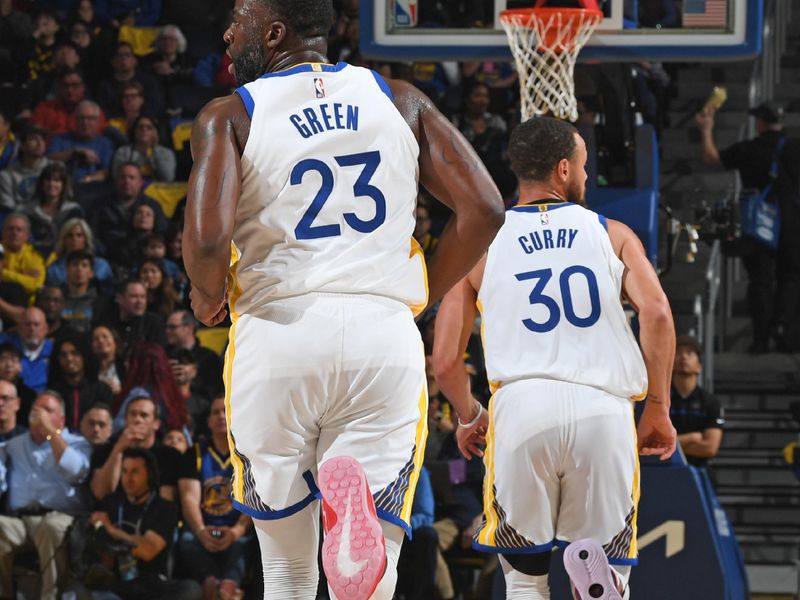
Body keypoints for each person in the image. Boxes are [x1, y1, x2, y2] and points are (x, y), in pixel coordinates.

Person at [183, 1, 504, 598]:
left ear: (274, 32)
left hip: (281, 333)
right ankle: (356, 540)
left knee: (286, 570)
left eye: (241, 17)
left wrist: (206, 295)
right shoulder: (400, 97)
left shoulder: (231, 113)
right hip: (381, 335)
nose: (228, 31)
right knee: (374, 564)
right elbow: (485, 207)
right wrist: (425, 285)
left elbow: (205, 239)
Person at [433, 117, 677, 600]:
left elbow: (443, 362)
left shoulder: (479, 242)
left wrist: (469, 414)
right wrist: (658, 408)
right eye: (584, 164)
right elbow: (658, 314)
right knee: (612, 571)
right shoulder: (613, 234)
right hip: (603, 411)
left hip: (522, 409)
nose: (587, 176)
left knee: (524, 582)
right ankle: (600, 586)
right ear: (564, 169)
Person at [697, 100, 800, 353]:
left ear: (760, 123)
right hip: (792, 222)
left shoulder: (749, 148)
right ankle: (783, 327)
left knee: (760, 280)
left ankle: (761, 339)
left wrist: (706, 129)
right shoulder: (795, 147)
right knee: (790, 277)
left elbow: (712, 158)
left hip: (757, 222)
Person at [0, 391, 92, 600]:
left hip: (61, 517)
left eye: (48, 410)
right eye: (36, 410)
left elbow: (76, 471)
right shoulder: (13, 445)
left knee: (50, 527)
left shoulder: (77, 443)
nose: (39, 414)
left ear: (61, 419)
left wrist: (50, 432)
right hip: (21, 521)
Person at [89, 447, 203, 600]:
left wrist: (111, 530)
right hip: (115, 583)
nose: (128, 478)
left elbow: (147, 550)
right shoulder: (110, 504)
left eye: (135, 472)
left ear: (150, 475)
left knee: (191, 589)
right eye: (124, 471)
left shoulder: (165, 508)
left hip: (152, 584)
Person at [177, 396, 253, 600]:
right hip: (203, 527)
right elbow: (189, 500)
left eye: (226, 411)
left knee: (246, 542)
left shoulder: (248, 453)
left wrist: (237, 531)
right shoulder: (195, 453)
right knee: (187, 540)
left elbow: (253, 498)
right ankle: (212, 585)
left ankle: (227, 587)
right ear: (208, 421)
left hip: (236, 528)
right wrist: (201, 531)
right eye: (215, 412)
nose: (221, 416)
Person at [90, 393, 182, 501]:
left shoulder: (169, 455)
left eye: (144, 415)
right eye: (132, 414)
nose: (137, 420)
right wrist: (119, 449)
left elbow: (167, 501)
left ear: (156, 424)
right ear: (125, 420)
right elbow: (100, 493)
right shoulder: (106, 450)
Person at [670, 335, 725, 468]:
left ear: (699, 366)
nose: (683, 356)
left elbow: (710, 448)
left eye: (689, 353)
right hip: (664, 472)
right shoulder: (659, 399)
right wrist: (692, 438)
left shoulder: (711, 402)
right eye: (678, 352)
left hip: (700, 472)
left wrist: (671, 445)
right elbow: (650, 445)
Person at [48, 334, 114, 431]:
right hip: (58, 441)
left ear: (84, 356)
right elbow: (48, 432)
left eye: (75, 353)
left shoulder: (102, 390)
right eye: (63, 355)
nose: (69, 359)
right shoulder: (52, 393)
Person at [47, 99, 115, 184]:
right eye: (81, 118)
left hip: (93, 188)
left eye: (90, 118)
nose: (85, 122)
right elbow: (48, 159)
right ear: (75, 120)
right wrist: (74, 152)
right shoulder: (60, 139)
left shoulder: (106, 144)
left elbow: (107, 172)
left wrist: (87, 179)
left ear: (98, 121)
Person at [24, 162, 84, 257]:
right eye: (48, 180)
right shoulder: (28, 211)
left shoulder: (74, 211)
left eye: (57, 180)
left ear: (63, 185)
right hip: (33, 256)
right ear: (42, 183)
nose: (51, 184)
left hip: (66, 258)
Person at [165, 309, 222, 400]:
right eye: (167, 327)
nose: (167, 331)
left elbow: (214, 393)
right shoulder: (163, 356)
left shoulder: (209, 358)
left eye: (172, 327)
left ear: (189, 328)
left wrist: (193, 379)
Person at [0, 307, 53, 392]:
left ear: (46, 329)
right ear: (19, 328)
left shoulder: (55, 350)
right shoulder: (3, 344)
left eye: (36, 324)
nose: (32, 329)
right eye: (27, 324)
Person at [0, 124, 51, 210]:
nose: (40, 143)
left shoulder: (56, 169)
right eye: (33, 139)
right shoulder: (7, 176)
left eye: (42, 139)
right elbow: (8, 209)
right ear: (22, 146)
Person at [1, 212, 46, 301]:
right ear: (3, 232)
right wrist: (23, 276)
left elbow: (36, 285)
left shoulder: (34, 256)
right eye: (10, 229)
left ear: (26, 235)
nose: (14, 233)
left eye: (19, 230)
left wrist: (3, 273)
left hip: (25, 308)